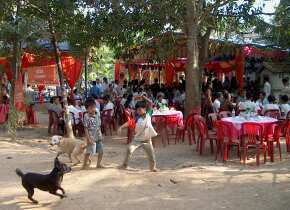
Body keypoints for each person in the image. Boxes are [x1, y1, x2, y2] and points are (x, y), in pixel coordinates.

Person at [118, 101, 157, 172]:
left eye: (140, 109)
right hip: (137, 140)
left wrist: (144, 97)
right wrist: (121, 127)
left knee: (151, 155)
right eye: (137, 110)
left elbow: (151, 103)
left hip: (147, 140)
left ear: (145, 109)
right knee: (129, 149)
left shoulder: (149, 114)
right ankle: (124, 165)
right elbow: (129, 123)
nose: (138, 111)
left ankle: (153, 167)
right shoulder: (137, 118)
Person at [82, 98, 104, 169]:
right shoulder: (86, 116)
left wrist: (101, 134)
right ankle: (84, 164)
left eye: (94, 107)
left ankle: (98, 164)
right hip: (91, 138)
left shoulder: (97, 115)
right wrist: (88, 138)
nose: (93, 109)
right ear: (87, 109)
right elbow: (85, 128)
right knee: (88, 152)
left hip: (98, 137)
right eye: (90, 108)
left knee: (101, 151)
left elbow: (99, 126)